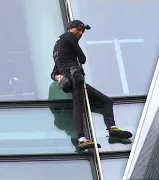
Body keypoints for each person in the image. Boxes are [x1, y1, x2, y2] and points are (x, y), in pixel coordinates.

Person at [51, 20, 132, 150]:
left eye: (82, 31)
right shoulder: (69, 37)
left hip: (71, 78)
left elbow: (53, 73)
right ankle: (82, 139)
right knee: (79, 106)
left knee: (106, 100)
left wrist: (58, 76)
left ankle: (112, 128)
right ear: (70, 28)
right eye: (78, 29)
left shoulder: (58, 46)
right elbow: (82, 58)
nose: (80, 33)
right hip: (75, 76)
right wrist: (76, 54)